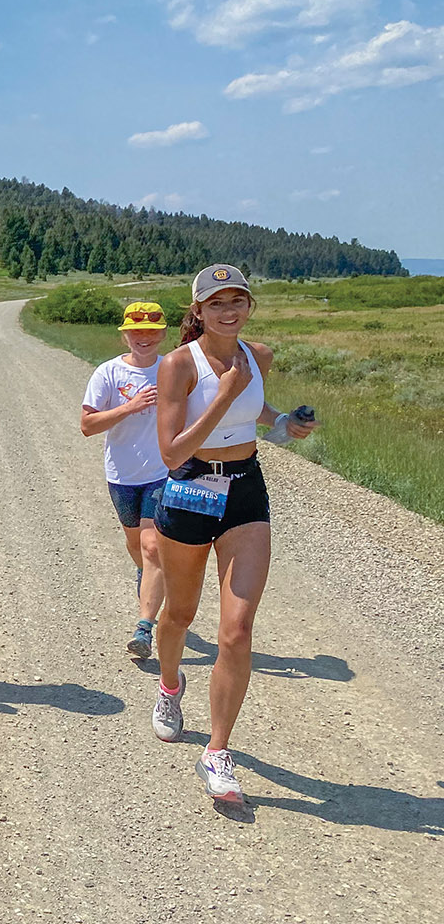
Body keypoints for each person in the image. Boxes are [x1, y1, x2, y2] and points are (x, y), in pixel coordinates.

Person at [149, 265, 318, 804]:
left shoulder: (257, 357)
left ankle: (216, 751)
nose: (228, 311)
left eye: (237, 301)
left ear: (249, 306)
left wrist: (284, 422)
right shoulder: (177, 365)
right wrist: (223, 395)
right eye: (216, 302)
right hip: (190, 487)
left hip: (245, 489)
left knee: (238, 631)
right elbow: (171, 452)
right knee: (179, 614)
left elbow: (256, 409)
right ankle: (170, 686)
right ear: (197, 310)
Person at [80, 301, 171, 659]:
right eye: (136, 331)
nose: (144, 337)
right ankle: (145, 575)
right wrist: (131, 407)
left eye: (151, 331)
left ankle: (144, 629)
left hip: (162, 472)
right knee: (136, 545)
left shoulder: (174, 369)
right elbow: (88, 425)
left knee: (153, 546)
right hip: (121, 474)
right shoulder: (108, 373)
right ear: (125, 335)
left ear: (163, 334)